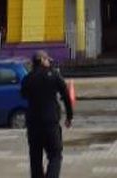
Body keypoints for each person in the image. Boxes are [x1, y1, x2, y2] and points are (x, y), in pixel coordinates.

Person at [20, 50, 73, 178]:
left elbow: (23, 94)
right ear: (42, 60)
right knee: (55, 155)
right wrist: (69, 116)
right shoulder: (54, 75)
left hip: (33, 124)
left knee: (35, 157)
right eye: (48, 60)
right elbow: (66, 95)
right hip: (50, 123)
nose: (49, 62)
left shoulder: (28, 78)